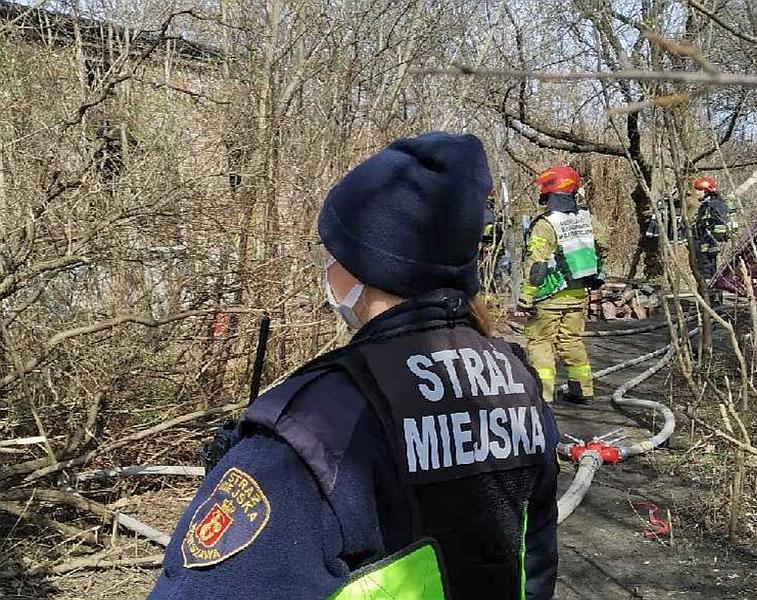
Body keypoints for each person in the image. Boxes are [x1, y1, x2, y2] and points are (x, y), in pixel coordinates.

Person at [149, 132, 560, 600]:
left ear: (365, 263)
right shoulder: (515, 381)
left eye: (331, 251)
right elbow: (536, 563)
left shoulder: (311, 429)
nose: (325, 263)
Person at [517, 166, 602, 405]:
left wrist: (526, 297)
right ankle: (582, 390)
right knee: (571, 341)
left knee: (541, 342)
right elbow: (603, 246)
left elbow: (538, 266)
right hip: (577, 294)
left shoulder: (546, 224)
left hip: (549, 295)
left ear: (548, 192)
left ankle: (543, 396)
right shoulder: (587, 219)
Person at [690, 176, 732, 280]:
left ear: (708, 191)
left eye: (700, 190)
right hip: (704, 243)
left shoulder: (715, 204)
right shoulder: (707, 204)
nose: (697, 192)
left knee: (707, 271)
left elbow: (719, 226)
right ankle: (708, 293)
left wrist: (710, 239)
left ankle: (710, 294)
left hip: (708, 244)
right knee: (703, 270)